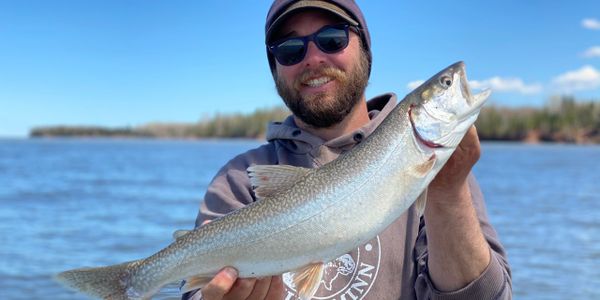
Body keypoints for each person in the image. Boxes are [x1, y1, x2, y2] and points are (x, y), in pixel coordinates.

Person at [183, 0, 512, 299]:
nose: (313, 59)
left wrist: (449, 194)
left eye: (332, 39)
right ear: (275, 70)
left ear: (366, 49)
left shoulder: (446, 171)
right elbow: (194, 290)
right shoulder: (238, 179)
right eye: (290, 49)